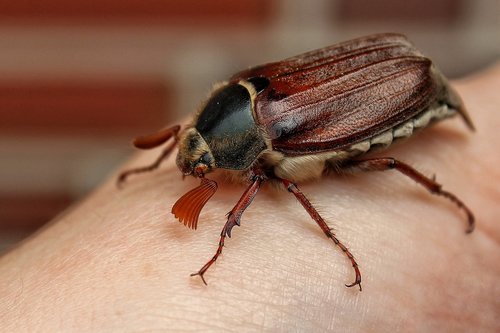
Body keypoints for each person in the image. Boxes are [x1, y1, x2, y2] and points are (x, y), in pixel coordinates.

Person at [1, 63, 499, 332]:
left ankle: (437, 192)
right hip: (390, 65)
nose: (193, 163)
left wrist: (223, 240)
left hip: (399, 95)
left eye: (200, 157)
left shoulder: (271, 144)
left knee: (384, 164)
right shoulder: (228, 105)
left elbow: (274, 183)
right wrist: (161, 161)